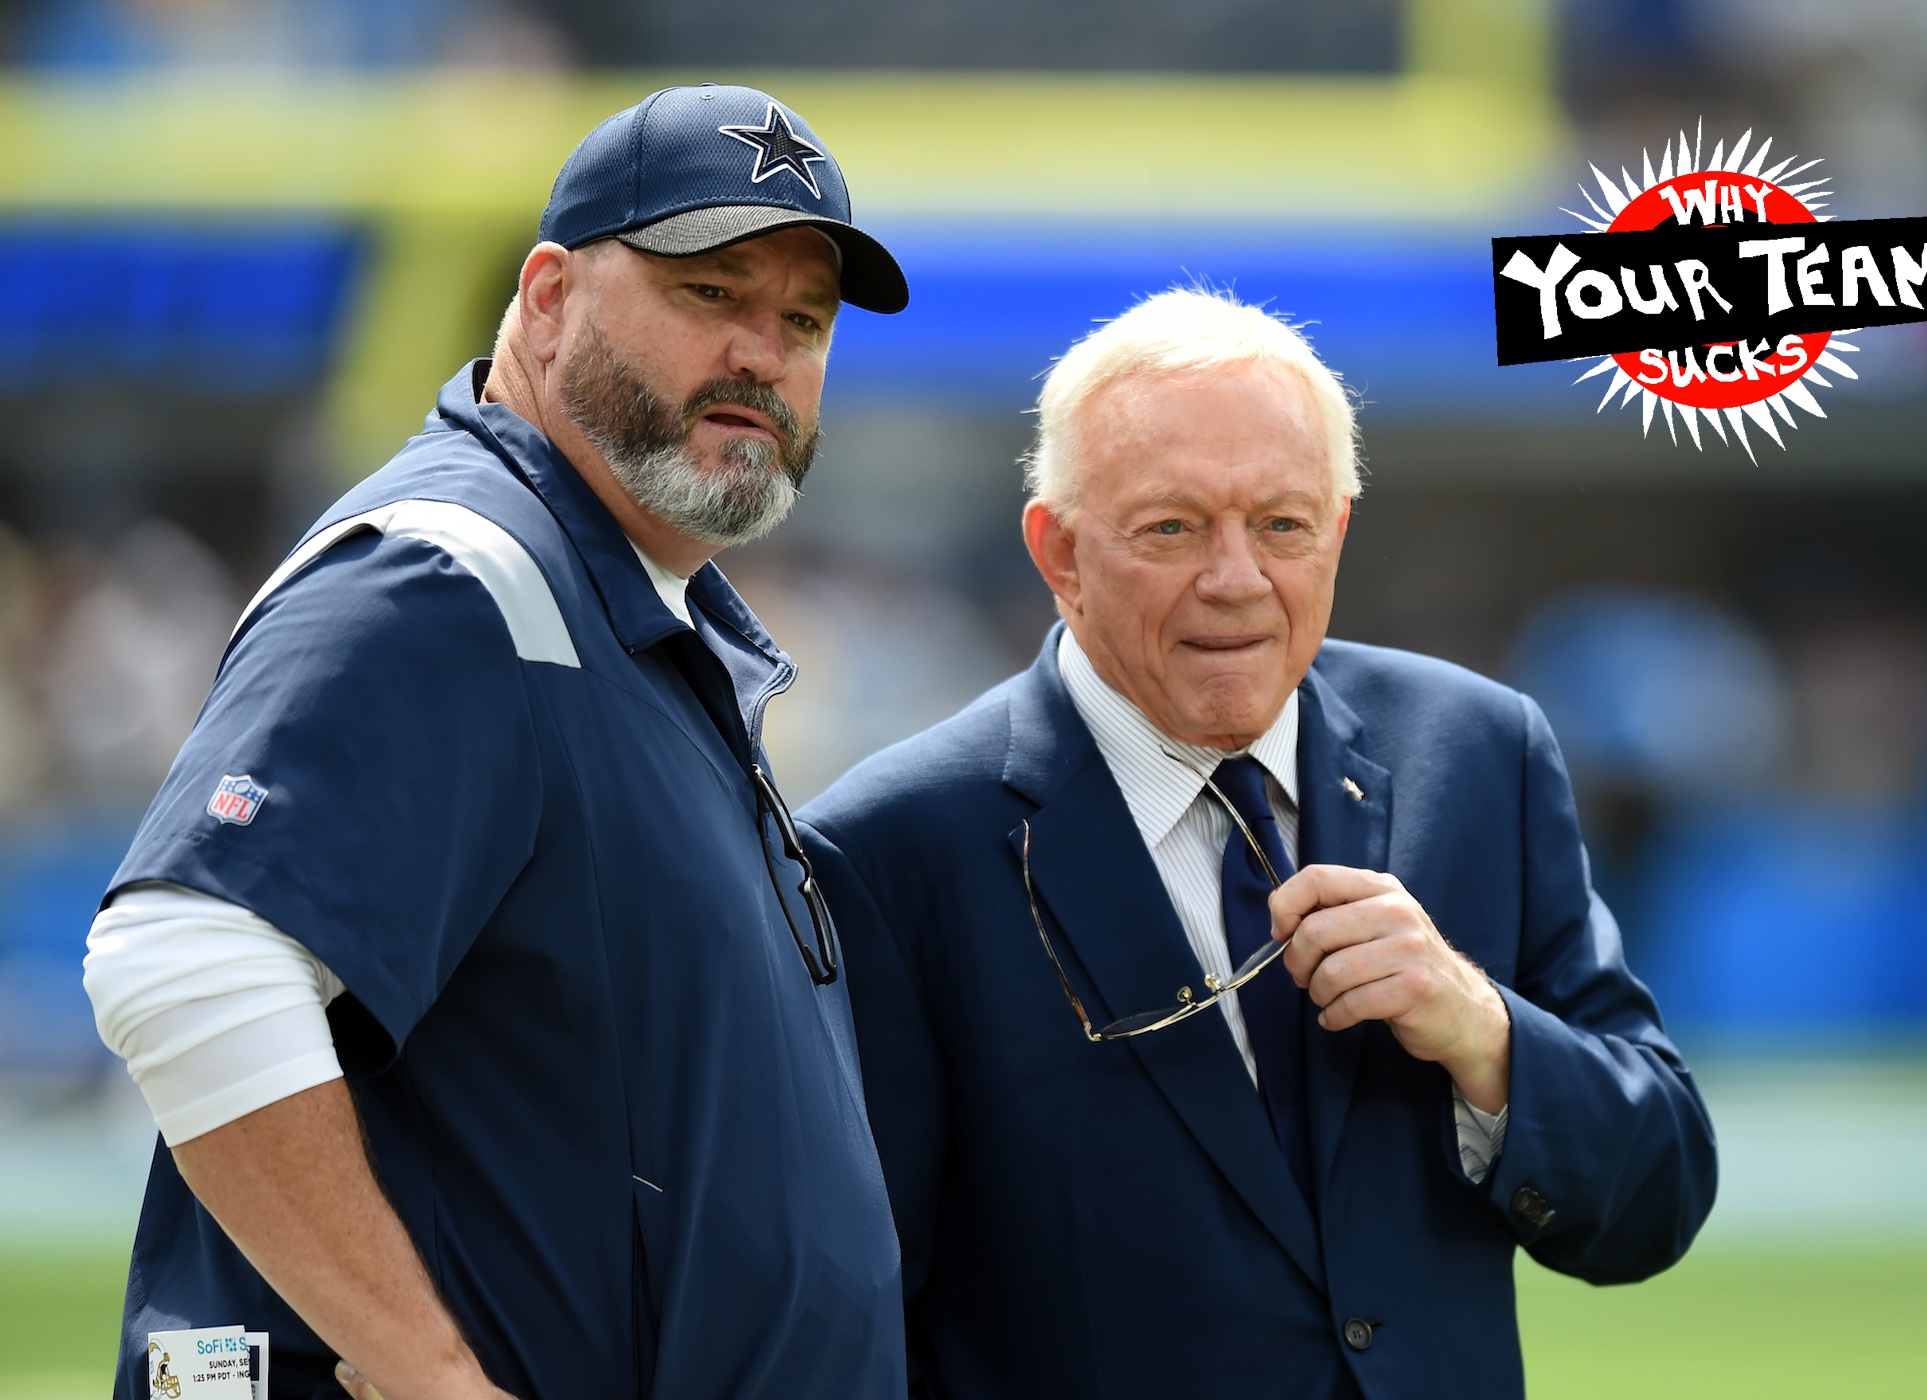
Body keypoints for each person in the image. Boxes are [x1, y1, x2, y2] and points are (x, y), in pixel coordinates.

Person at [83, 84, 911, 1400]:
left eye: (802, 321)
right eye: (712, 293)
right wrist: (426, 1371)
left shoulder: (615, 607)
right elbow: (181, 963)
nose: (763, 350)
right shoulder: (455, 572)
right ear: (548, 298)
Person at [798, 288, 1718, 1399]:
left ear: (1333, 531)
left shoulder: (1477, 750)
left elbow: (1655, 1193)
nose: (1234, 579)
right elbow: (847, 1322)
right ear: (1059, 551)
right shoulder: (886, 850)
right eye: (1171, 528)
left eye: (1279, 524)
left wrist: (1482, 1032)